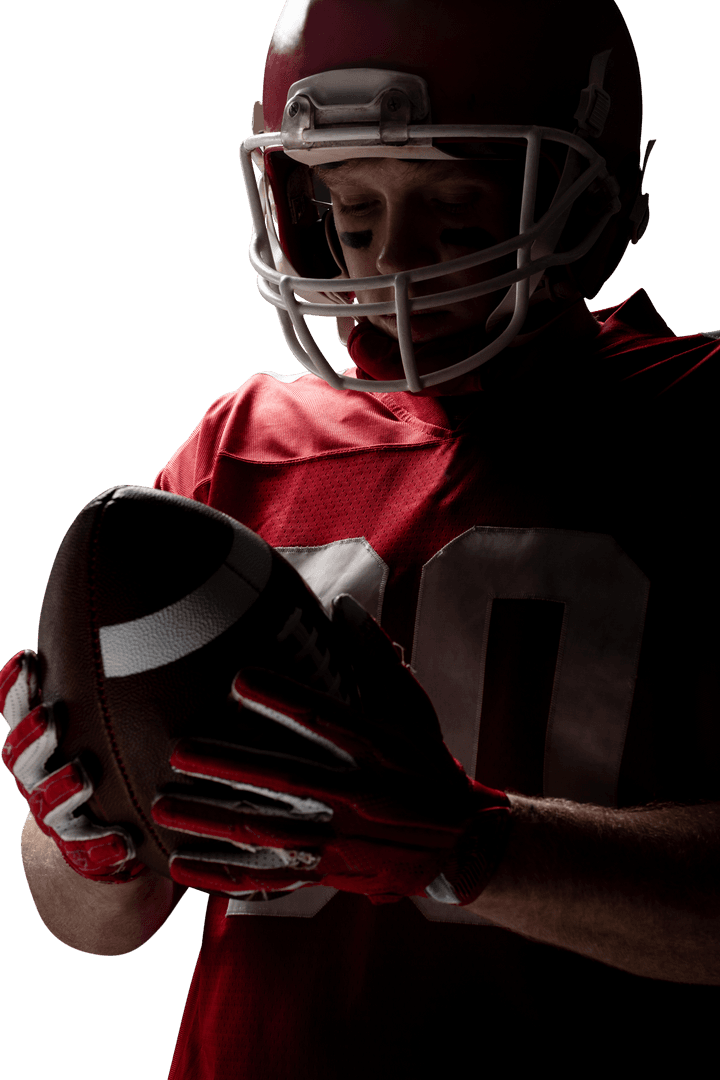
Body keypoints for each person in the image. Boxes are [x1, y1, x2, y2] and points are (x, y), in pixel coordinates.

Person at [3, 0, 720, 1075]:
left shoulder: (698, 423)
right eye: (351, 203)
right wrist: (85, 843)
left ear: (593, 199)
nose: (392, 260)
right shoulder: (239, 447)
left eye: (457, 209)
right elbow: (103, 924)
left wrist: (472, 843)